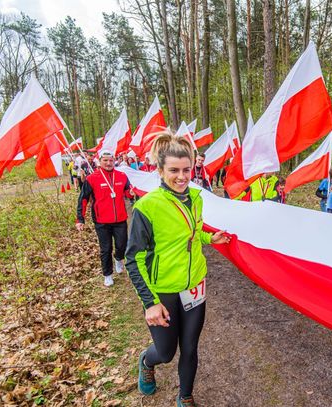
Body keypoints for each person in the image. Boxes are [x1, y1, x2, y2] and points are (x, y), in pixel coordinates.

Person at [125, 131, 230, 407]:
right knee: (166, 352)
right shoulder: (147, 206)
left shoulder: (196, 197)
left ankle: (185, 396)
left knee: (191, 347)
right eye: (174, 170)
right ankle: (147, 361)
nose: (182, 177)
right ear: (160, 171)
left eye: (186, 170)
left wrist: (209, 238)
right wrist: (150, 303)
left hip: (195, 285)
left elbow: (191, 234)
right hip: (163, 291)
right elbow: (133, 259)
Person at [76, 150, 133, 287]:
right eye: (105, 160)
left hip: (120, 219)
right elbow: (83, 199)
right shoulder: (92, 178)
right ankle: (107, 275)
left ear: (114, 161)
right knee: (106, 249)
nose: (108, 163)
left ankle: (118, 258)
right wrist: (80, 219)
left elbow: (128, 192)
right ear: (100, 161)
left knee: (122, 245)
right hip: (101, 221)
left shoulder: (122, 176)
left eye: (111, 160)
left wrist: (131, 193)